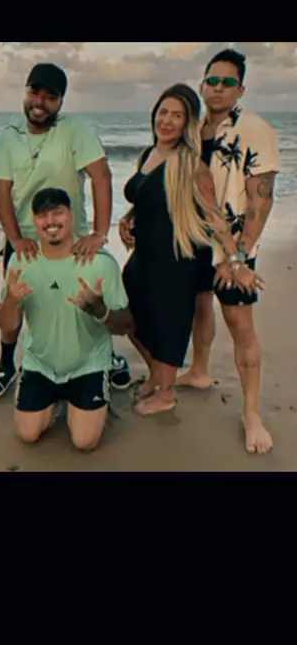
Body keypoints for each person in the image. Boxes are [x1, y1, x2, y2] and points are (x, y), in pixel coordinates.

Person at [0, 61, 131, 400]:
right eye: (35, 92)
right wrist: (15, 239)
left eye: (51, 97)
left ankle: (104, 357)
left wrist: (100, 233)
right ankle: (6, 363)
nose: (40, 102)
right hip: (26, 239)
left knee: (86, 298)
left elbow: (101, 176)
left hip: (74, 238)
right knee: (16, 299)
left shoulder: (75, 130)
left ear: (61, 101)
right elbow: (1, 190)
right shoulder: (9, 136)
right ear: (26, 92)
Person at [119, 83, 263, 417]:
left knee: (168, 324)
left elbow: (215, 217)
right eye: (163, 112)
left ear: (188, 124)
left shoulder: (191, 165)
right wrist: (128, 218)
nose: (167, 121)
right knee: (130, 316)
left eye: (177, 116)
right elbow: (147, 195)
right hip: (143, 256)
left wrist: (237, 260)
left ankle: (166, 394)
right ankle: (157, 375)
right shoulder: (147, 155)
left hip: (175, 258)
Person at [176, 49, 279, 454]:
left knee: (239, 323)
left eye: (227, 82)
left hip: (231, 247)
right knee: (201, 305)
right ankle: (199, 370)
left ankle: (252, 415)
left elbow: (261, 199)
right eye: (212, 81)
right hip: (193, 237)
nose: (218, 88)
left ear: (241, 89)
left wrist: (241, 256)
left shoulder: (253, 128)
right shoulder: (192, 129)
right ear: (202, 85)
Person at [0, 188, 134, 450]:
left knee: (85, 442)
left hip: (88, 364)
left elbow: (126, 324)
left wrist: (101, 311)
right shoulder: (21, 262)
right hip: (41, 364)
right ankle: (55, 403)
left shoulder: (100, 263)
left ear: (72, 216)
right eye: (42, 215)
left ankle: (94, 396)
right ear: (34, 221)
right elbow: (6, 325)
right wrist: (11, 301)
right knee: (27, 434)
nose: (50, 221)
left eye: (57, 212)